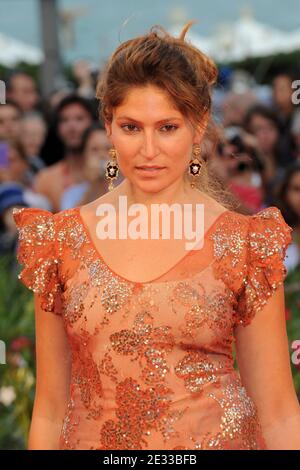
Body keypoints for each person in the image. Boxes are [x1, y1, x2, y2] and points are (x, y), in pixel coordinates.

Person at [13, 21, 300, 450]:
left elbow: (277, 412)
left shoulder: (245, 243)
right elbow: (51, 410)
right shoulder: (60, 241)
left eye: (167, 127)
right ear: (108, 126)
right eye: (131, 127)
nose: (148, 150)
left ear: (198, 126)